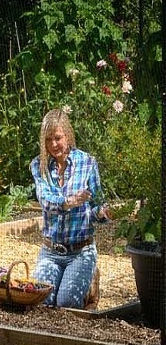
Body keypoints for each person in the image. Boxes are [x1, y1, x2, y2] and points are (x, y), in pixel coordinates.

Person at [30, 108, 110, 309]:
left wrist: (103, 213)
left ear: (68, 135)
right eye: (48, 140)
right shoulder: (38, 165)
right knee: (40, 300)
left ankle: (90, 281)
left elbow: (96, 205)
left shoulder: (87, 163)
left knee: (66, 304)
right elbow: (46, 201)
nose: (53, 145)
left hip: (80, 251)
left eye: (57, 138)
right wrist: (70, 201)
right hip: (50, 251)